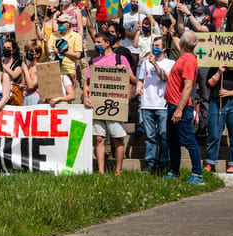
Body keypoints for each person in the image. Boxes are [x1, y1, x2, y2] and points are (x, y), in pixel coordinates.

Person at [83, 32, 137, 175]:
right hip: (97, 105)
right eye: (95, 42)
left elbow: (134, 80)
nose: (96, 45)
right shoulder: (94, 62)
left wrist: (124, 71)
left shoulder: (120, 58)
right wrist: (85, 97)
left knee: (117, 139)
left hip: (115, 106)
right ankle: (101, 172)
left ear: (107, 43)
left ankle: (118, 171)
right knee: (99, 139)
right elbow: (87, 84)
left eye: (99, 42)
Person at [163, 31, 203, 184]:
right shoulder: (184, 57)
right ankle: (174, 171)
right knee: (172, 140)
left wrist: (179, 109)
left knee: (189, 141)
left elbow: (187, 87)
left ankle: (197, 175)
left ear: (184, 44)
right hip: (172, 106)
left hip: (181, 108)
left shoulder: (188, 61)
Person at [136, 35, 174, 173]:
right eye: (154, 45)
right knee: (150, 135)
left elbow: (165, 78)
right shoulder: (145, 63)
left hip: (162, 104)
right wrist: (138, 87)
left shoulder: (170, 63)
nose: (155, 48)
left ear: (164, 48)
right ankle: (150, 162)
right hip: (147, 104)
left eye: (158, 46)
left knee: (164, 134)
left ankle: (164, 161)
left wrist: (155, 65)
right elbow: (141, 79)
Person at [206, 63, 233, 173]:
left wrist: (231, 93)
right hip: (217, 103)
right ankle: (210, 161)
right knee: (214, 133)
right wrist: (219, 72)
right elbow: (209, 84)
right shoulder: (214, 68)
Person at [45, 14, 83, 79]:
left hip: (68, 69)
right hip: (54, 68)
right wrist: (45, 42)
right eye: (58, 22)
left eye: (61, 23)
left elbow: (78, 55)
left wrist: (61, 51)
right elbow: (47, 53)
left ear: (68, 23)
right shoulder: (53, 35)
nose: (59, 24)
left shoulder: (76, 36)